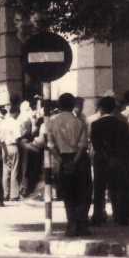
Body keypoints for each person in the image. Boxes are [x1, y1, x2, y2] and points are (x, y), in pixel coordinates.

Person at [36, 93, 91, 238]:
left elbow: (50, 145)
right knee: (82, 193)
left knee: (68, 194)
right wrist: (74, 162)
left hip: (62, 158)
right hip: (79, 160)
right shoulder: (79, 122)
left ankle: (71, 224)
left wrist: (61, 161)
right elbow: (82, 146)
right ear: (73, 105)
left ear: (59, 105)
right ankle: (82, 225)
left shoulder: (51, 123)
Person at [89, 95, 129, 226]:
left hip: (101, 161)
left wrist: (105, 156)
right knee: (118, 188)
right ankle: (120, 216)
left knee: (99, 189)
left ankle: (98, 216)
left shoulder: (95, 124)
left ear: (101, 108)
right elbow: (126, 144)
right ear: (114, 108)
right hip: (118, 160)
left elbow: (96, 145)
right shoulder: (122, 124)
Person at [2, 99, 22, 203]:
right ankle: (14, 195)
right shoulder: (15, 123)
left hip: (4, 147)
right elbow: (18, 137)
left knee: (5, 170)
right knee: (14, 170)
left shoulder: (3, 122)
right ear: (16, 113)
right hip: (13, 146)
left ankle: (5, 193)